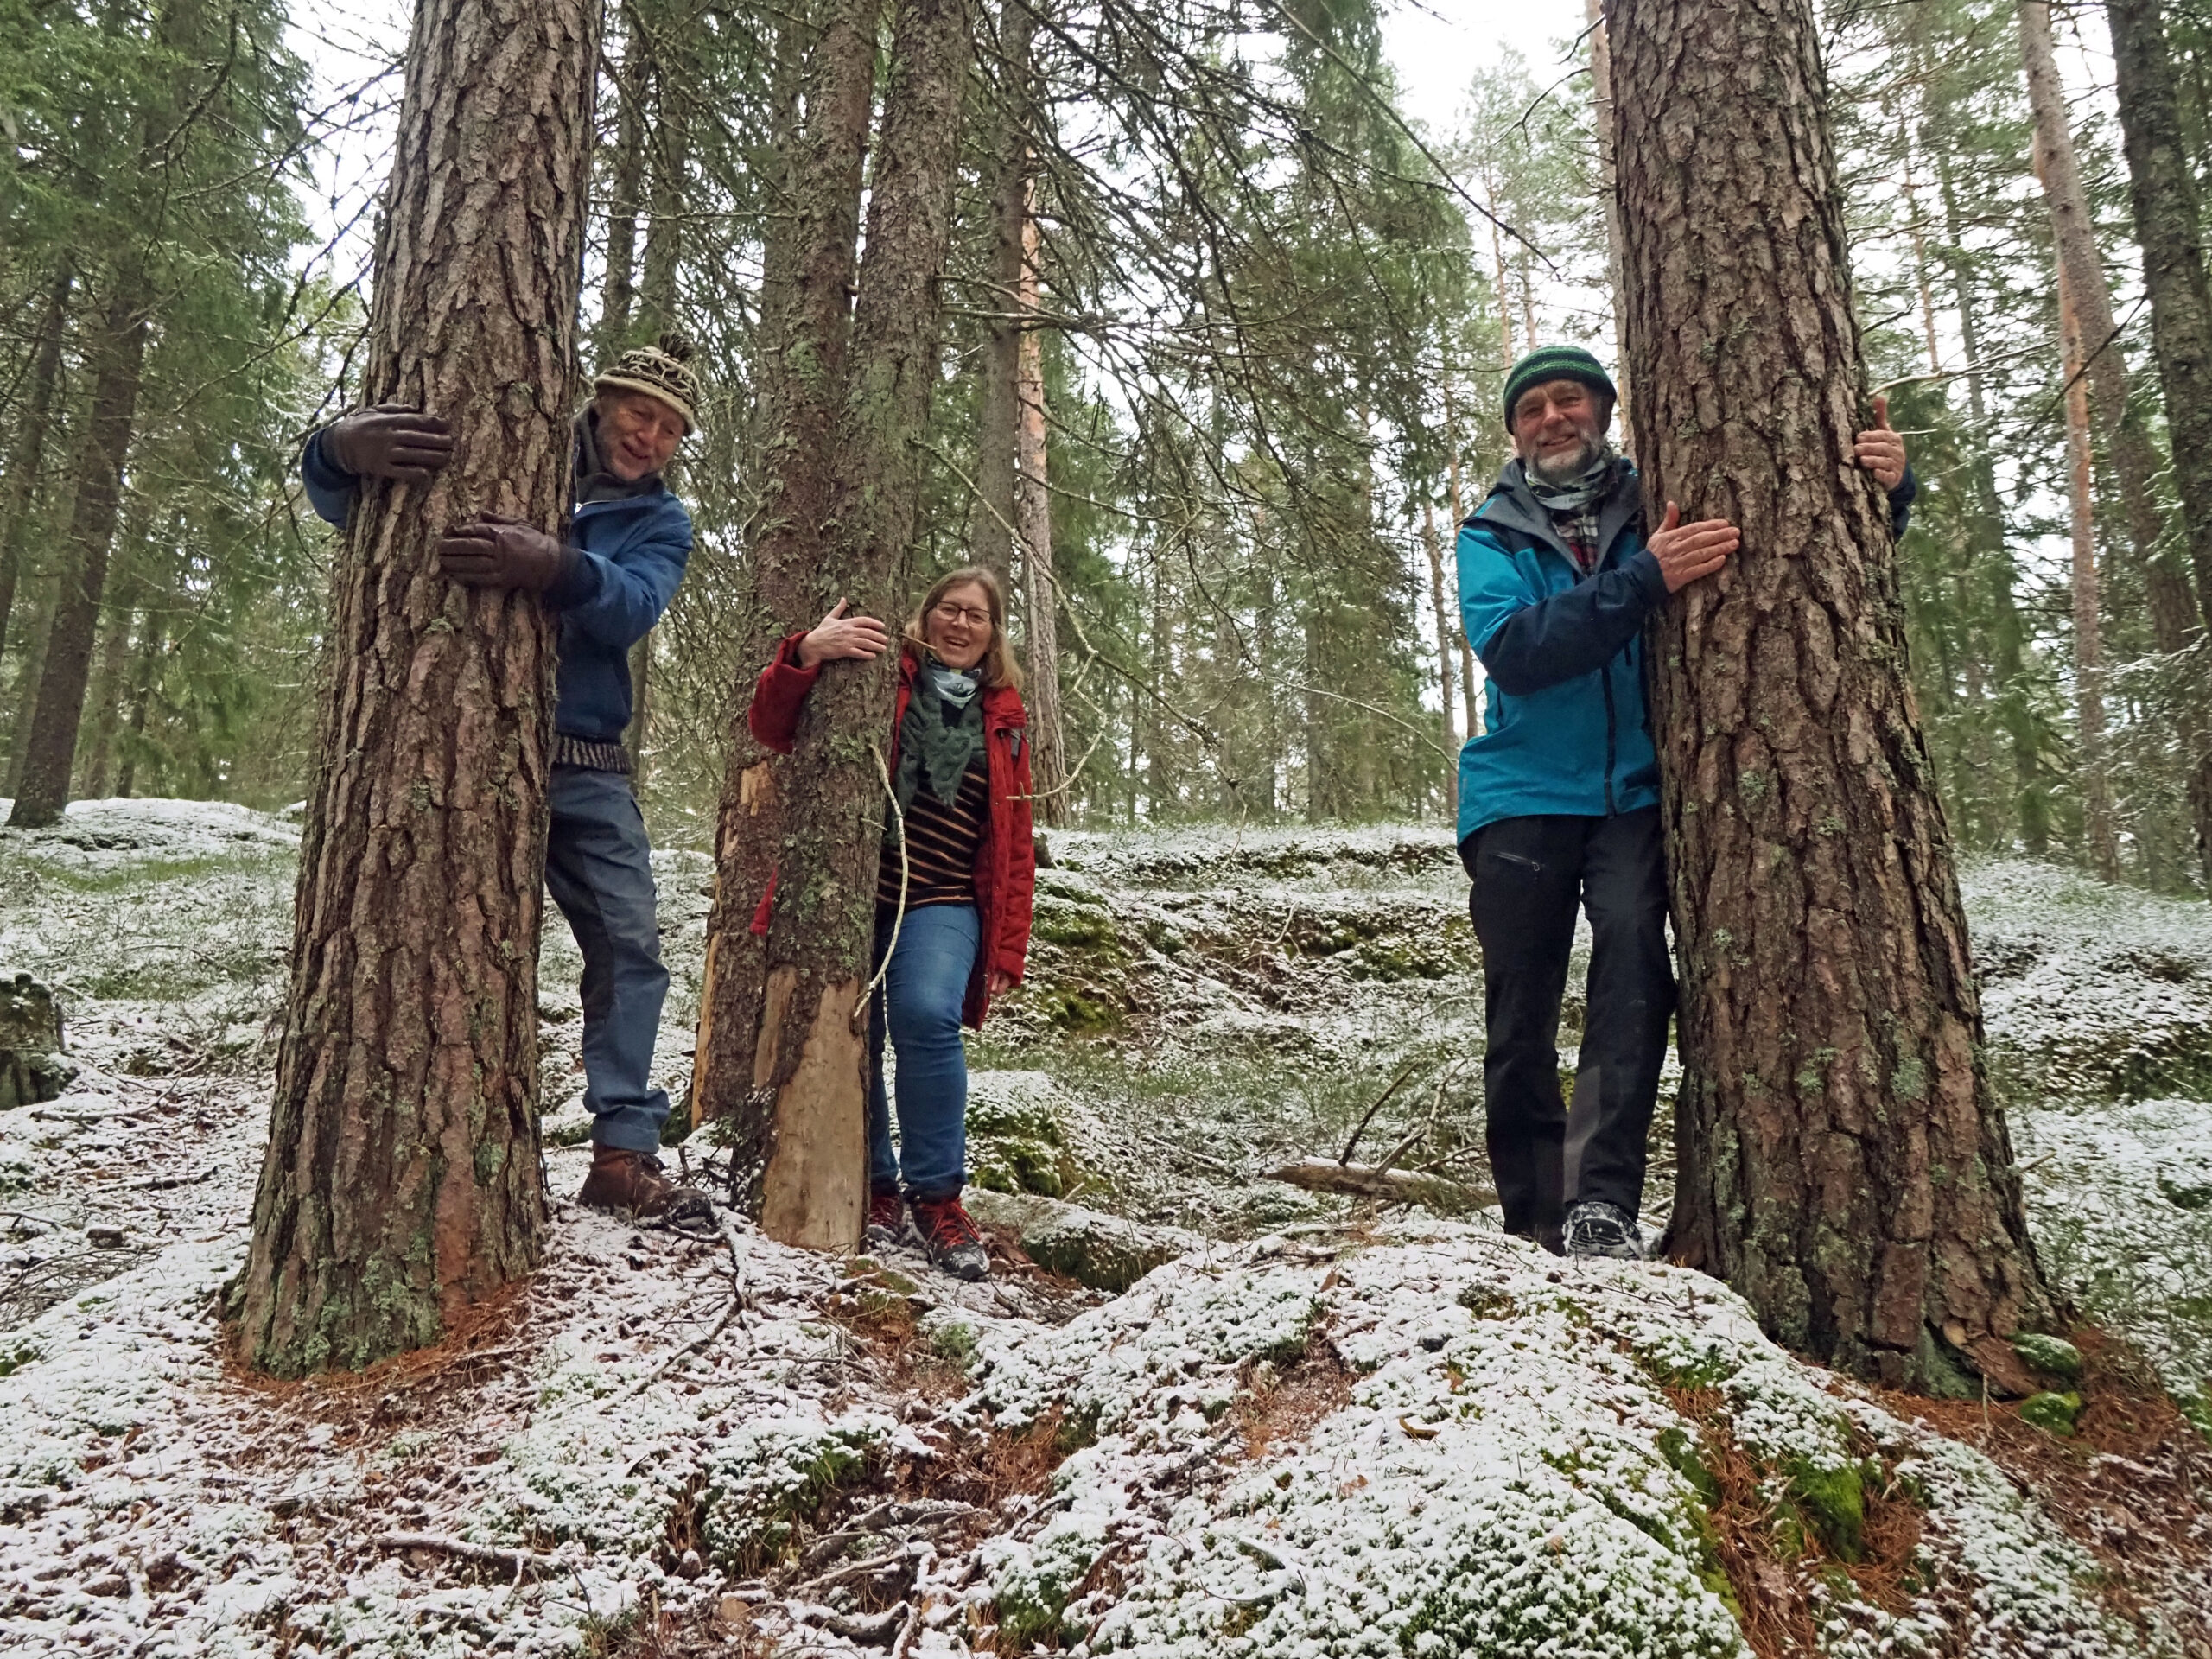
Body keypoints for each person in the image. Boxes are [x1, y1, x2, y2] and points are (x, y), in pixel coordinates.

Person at [1456, 344, 1913, 1261]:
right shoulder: (1490, 533)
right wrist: (1643, 580)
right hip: (1518, 796)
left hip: (1634, 795)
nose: (1554, 418)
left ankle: (1599, 1206)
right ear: (1513, 431)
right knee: (1520, 1011)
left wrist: (1888, 494)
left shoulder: (1655, 501)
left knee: (1633, 973)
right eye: (1534, 407)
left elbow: (1800, 558)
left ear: (1603, 413)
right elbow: (1517, 650)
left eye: (1571, 400)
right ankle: (1531, 1217)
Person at [298, 335, 713, 1228]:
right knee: (430, 941)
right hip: (455, 741)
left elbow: (632, 608)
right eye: (640, 412)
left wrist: (557, 566)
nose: (650, 437)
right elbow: (368, 517)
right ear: (602, 400)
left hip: (584, 762)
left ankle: (622, 1153)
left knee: (631, 946)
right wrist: (332, 452)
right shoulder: (507, 442)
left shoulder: (661, 522)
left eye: (672, 429)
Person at [745, 569, 1037, 1281]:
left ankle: (937, 1198)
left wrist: (1007, 945)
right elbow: (771, 726)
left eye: (977, 616)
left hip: (943, 901)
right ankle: (874, 1186)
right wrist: (806, 652)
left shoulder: (1005, 716)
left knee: (925, 1015)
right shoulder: (882, 673)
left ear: (994, 633)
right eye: (948, 610)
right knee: (852, 1027)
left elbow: (1016, 837)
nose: (960, 625)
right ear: (924, 616)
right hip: (850, 892)